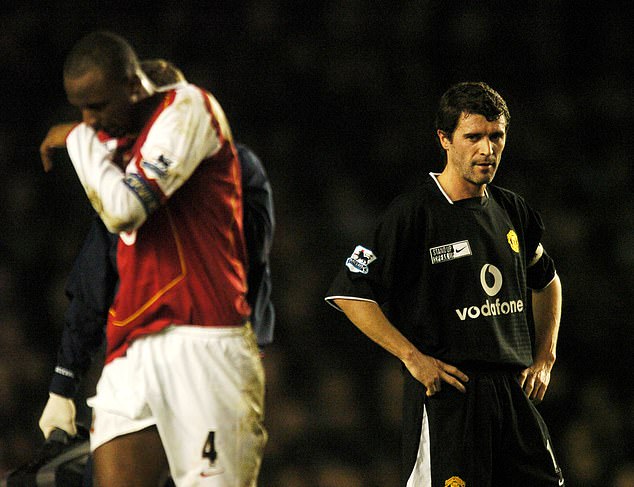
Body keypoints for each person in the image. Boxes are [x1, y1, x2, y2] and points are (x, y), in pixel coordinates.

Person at [43, 31, 266, 487]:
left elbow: (125, 210)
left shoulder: (189, 108)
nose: (90, 120)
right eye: (80, 110)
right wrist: (62, 384)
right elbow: (94, 268)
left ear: (133, 86)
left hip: (205, 339)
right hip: (131, 348)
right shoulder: (115, 140)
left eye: (98, 107)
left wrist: (79, 140)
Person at [325, 82, 565, 486]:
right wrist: (411, 356)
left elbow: (548, 281)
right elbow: (350, 293)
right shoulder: (414, 213)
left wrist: (546, 354)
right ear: (444, 139)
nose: (487, 150)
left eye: (496, 137)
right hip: (452, 401)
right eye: (473, 137)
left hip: (511, 395)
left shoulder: (511, 209)